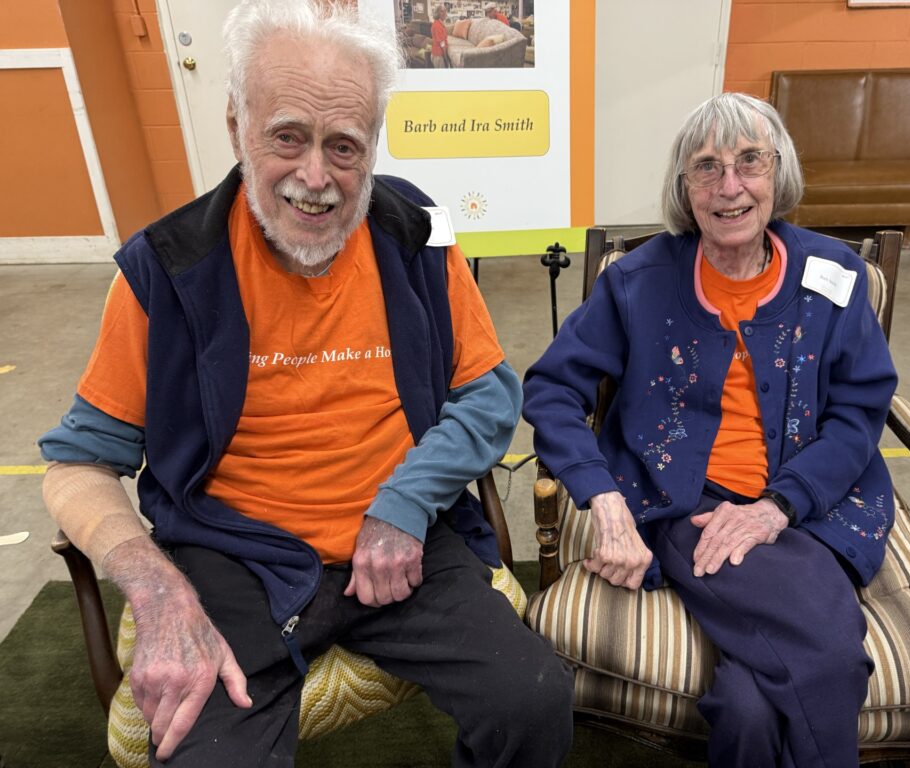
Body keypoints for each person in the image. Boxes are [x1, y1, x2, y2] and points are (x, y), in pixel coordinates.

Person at [38, 2, 573, 766]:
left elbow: (488, 393)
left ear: (372, 148)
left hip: (403, 543)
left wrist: (405, 503)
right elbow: (78, 465)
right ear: (236, 127)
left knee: (532, 700)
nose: (316, 178)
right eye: (287, 136)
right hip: (238, 558)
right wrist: (155, 588)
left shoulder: (413, 232)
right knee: (203, 756)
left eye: (344, 146)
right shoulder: (167, 269)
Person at [523, 92, 898, 767]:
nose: (730, 187)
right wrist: (604, 499)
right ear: (684, 189)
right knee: (833, 657)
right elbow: (551, 388)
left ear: (777, 172)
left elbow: (859, 411)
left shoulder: (832, 275)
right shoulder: (639, 282)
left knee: (749, 711)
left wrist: (776, 507)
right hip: (685, 506)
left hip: (815, 508)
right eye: (707, 167)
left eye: (749, 161)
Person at [430, 4, 450, 68]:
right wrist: (446, 58)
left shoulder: (440, 23)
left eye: (445, 11)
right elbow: (442, 44)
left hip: (438, 55)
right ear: (437, 13)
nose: (444, 13)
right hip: (438, 56)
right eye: (441, 11)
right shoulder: (437, 25)